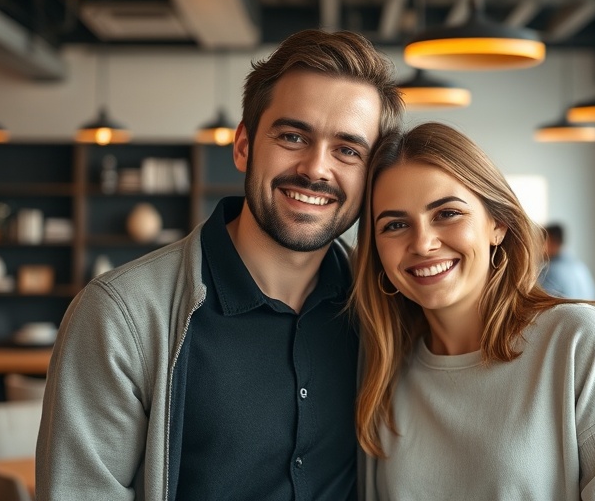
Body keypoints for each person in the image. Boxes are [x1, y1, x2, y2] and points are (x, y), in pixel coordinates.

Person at [36, 29, 404, 501]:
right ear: (244, 146)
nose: (316, 168)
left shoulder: (387, 307)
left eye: (348, 150)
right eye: (293, 136)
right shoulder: (119, 316)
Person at [351, 122, 595, 500]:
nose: (422, 243)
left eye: (447, 213)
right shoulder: (385, 369)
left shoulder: (579, 343)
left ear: (498, 224)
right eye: (396, 224)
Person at [539, 222, 595, 299]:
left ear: (551, 241)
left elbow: (540, 303)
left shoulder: (550, 270)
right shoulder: (580, 267)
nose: (539, 247)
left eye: (542, 241)